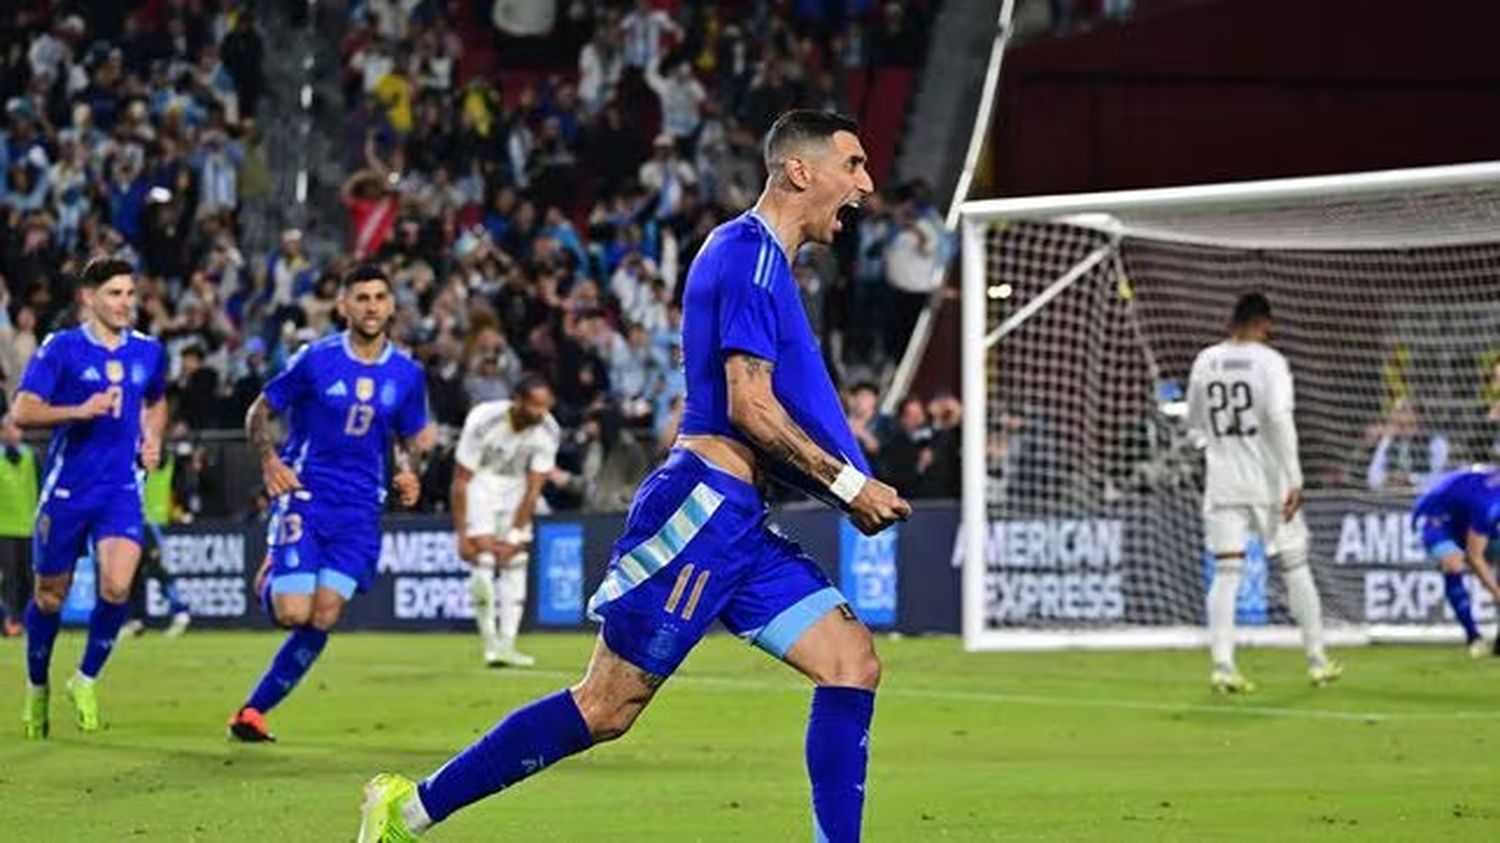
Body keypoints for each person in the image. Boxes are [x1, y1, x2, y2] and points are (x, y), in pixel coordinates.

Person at [357, 110, 909, 842]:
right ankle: (411, 808)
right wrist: (846, 486)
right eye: (855, 164)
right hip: (701, 514)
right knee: (606, 706)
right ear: (800, 170)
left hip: (739, 520)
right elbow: (749, 404)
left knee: (851, 662)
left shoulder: (766, 262)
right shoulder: (748, 255)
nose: (866, 184)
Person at [226, 264, 433, 742]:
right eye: (361, 297)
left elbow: (406, 437)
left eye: (380, 296)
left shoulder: (406, 372)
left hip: (361, 509)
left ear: (391, 305)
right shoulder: (315, 360)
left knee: (323, 617)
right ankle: (271, 573)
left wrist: (408, 472)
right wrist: (269, 462)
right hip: (307, 495)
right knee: (293, 613)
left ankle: (253, 712)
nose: (372, 306)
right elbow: (260, 410)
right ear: (343, 305)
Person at [11, 258, 167, 738]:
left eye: (129, 293)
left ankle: (85, 678)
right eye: (115, 293)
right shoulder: (63, 349)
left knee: (118, 586)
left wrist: (152, 436)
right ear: (89, 298)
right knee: (50, 597)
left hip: (121, 488)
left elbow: (156, 400)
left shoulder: (149, 352)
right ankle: (37, 689)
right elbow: (22, 411)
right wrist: (80, 410)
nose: (125, 303)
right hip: (68, 489)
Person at [1187, 292, 1341, 694]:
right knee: (1294, 566)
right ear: (1263, 323)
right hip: (1268, 483)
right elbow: (1279, 419)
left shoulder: (1206, 360)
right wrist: (1295, 478)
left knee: (1226, 573)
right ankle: (1316, 660)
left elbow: (1195, 424)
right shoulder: (1270, 362)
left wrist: (1219, 451)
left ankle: (1222, 666)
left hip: (1222, 484)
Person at [451, 375, 561, 668]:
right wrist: (462, 534)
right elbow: (461, 480)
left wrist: (514, 536)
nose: (541, 413)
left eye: (545, 406)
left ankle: (508, 645)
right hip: (481, 483)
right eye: (535, 406)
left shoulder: (549, 430)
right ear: (518, 401)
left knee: (516, 561)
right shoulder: (483, 420)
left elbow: (534, 486)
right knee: (483, 559)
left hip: (517, 487)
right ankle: (491, 645)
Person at [1410, 467, 1500, 656]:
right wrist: (1495, 591)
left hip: (1465, 516)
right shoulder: (1487, 505)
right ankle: (1473, 637)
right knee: (1453, 563)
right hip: (1435, 517)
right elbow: (1475, 558)